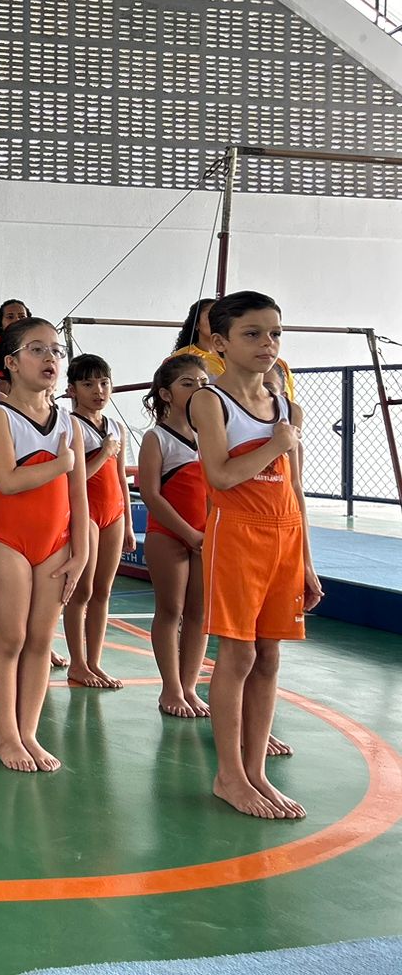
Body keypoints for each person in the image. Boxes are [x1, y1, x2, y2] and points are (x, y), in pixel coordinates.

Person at [189, 290, 321, 819]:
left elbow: (297, 489)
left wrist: (307, 560)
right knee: (238, 654)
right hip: (236, 534)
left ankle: (256, 770)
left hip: (285, 535)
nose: (267, 344)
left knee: (269, 655)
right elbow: (219, 475)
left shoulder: (287, 406)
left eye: (275, 334)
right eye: (253, 334)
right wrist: (275, 443)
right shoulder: (209, 400)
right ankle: (229, 775)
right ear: (220, 342)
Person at [0, 317, 88, 774]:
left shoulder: (69, 422)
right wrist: (59, 463)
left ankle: (29, 732)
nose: (50, 359)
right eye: (37, 350)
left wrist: (81, 552)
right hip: (8, 540)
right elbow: (6, 480)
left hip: (56, 544)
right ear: (11, 362)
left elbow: (78, 494)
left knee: (42, 639)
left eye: (56, 351)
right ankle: (5, 734)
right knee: (11, 636)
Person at [136, 354, 211, 719]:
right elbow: (151, 494)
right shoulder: (157, 438)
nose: (198, 389)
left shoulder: (210, 436)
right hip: (169, 533)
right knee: (171, 610)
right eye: (187, 383)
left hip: (206, 535)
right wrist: (188, 533)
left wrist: (208, 533)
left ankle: (191, 686)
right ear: (165, 394)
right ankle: (170, 688)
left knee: (199, 613)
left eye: (202, 383)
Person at [65, 354, 135, 691]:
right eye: (89, 384)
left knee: (104, 591)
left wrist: (130, 524)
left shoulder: (116, 427)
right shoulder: (71, 424)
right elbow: (74, 480)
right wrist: (104, 453)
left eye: (104, 383)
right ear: (73, 389)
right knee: (83, 590)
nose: (98, 390)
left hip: (114, 512)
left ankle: (94, 660)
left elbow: (121, 478)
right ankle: (77, 663)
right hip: (87, 513)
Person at [174, 298, 297, 401]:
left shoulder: (279, 365)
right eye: (252, 333)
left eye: (275, 334)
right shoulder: (186, 357)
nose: (268, 341)